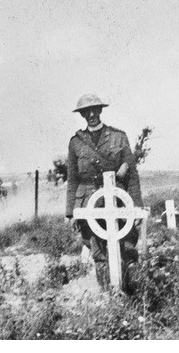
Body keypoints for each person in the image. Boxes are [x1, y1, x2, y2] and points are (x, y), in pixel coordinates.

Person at [65, 93, 143, 292]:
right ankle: (106, 294)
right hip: (88, 203)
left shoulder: (118, 137)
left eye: (95, 110)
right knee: (97, 250)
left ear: (100, 111)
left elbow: (132, 175)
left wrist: (136, 207)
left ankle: (128, 292)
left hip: (117, 201)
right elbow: (73, 179)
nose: (91, 114)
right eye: (86, 112)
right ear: (82, 115)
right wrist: (71, 212)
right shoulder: (76, 143)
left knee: (125, 247)